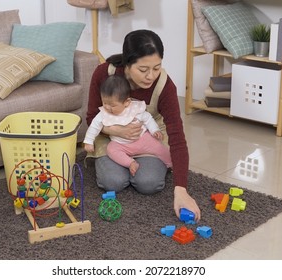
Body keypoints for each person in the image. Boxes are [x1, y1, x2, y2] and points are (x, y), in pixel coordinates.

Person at [86, 29, 201, 221]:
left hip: (145, 139)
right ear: (127, 64)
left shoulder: (165, 86)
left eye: (156, 68)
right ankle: (118, 167)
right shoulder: (104, 74)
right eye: (143, 69)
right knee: (113, 182)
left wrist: (181, 189)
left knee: (148, 183)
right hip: (111, 139)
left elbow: (177, 138)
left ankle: (139, 167)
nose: (151, 76)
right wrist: (114, 130)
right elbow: (91, 117)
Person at [83, 75, 172, 176]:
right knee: (111, 149)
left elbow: (148, 119)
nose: (107, 107)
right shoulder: (103, 114)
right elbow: (94, 126)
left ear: (126, 102)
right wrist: (89, 141)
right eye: (104, 103)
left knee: (159, 146)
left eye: (112, 105)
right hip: (120, 144)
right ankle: (130, 163)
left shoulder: (134, 109)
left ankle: (170, 164)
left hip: (142, 139)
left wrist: (155, 130)